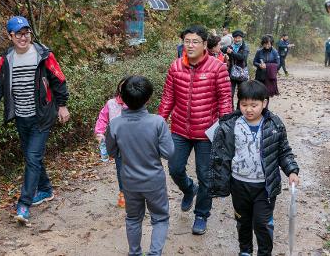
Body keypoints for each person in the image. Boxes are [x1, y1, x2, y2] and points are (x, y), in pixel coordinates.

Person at [0, 16, 70, 223]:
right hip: (21, 117)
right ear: (10, 36)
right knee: (31, 157)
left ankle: (24, 204)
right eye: (18, 33)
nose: (23, 37)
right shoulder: (7, 58)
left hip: (42, 116)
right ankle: (45, 189)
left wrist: (62, 105)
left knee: (33, 158)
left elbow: (59, 80)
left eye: (26, 33)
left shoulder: (43, 54)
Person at [208, 80, 300, 255]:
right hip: (239, 184)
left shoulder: (274, 124)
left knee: (262, 223)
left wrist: (292, 170)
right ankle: (245, 250)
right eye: (244, 104)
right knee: (242, 221)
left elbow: (283, 151)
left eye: (254, 105)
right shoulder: (230, 125)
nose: (248, 109)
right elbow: (220, 156)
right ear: (239, 102)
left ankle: (264, 252)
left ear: (264, 103)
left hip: (265, 187)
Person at [158, 25, 232, 235]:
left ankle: (201, 215)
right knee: (174, 168)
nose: (190, 45)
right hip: (180, 129)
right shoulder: (175, 67)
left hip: (207, 133)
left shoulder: (217, 68)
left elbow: (225, 99)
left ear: (205, 45)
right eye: (187, 41)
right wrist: (159, 121)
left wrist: (225, 127)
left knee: (206, 175)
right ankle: (189, 189)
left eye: (195, 42)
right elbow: (168, 98)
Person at [105, 75, 174, 256]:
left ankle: (134, 253)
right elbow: (169, 152)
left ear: (122, 97)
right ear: (149, 98)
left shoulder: (114, 124)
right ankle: (154, 253)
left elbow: (112, 152)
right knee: (160, 219)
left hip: (129, 182)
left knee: (133, 219)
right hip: (154, 182)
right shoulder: (158, 122)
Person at [94, 78, 128, 208]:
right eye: (122, 86)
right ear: (119, 87)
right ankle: (123, 193)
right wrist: (99, 132)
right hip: (118, 143)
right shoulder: (111, 104)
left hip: (135, 143)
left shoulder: (136, 103)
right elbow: (102, 118)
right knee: (121, 170)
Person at [223, 29, 250, 105]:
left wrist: (231, 53)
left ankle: (239, 110)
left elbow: (242, 57)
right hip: (231, 73)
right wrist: (226, 52)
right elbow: (222, 50)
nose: (237, 39)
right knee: (230, 94)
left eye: (239, 38)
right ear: (233, 38)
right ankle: (230, 110)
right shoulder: (230, 46)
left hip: (242, 73)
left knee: (242, 93)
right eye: (235, 37)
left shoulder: (245, 47)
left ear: (242, 38)